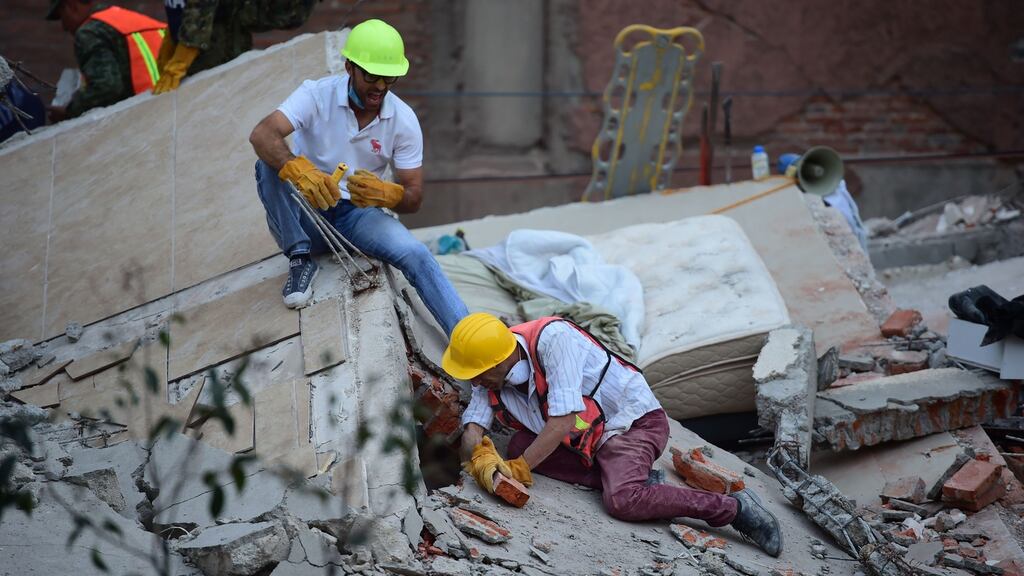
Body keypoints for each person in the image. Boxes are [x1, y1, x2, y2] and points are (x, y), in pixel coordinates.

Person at [443, 313, 783, 557]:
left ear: (501, 360)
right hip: (586, 439)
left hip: (632, 424)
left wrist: (518, 470)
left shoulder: (553, 339)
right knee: (518, 444)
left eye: (478, 375)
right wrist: (478, 459)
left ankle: (734, 509)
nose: (474, 382)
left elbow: (561, 423)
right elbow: (474, 427)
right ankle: (636, 480)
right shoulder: (490, 373)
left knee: (622, 501)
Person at [248, 18, 469, 336]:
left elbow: (414, 195)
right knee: (267, 164)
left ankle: (467, 337)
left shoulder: (403, 121)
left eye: (389, 77)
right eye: (372, 76)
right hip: (307, 214)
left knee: (417, 254)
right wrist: (300, 169)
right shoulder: (316, 95)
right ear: (350, 67)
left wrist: (387, 194)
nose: (380, 86)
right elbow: (262, 134)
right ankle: (299, 257)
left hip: (357, 215)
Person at [153, 0, 318, 94]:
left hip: (219, 50)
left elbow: (200, 8)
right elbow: (180, 8)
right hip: (197, 44)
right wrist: (173, 37)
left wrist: (179, 61)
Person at [45, 0, 166, 121]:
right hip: (171, 111)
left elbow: (106, 87)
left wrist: (70, 112)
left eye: (62, 17)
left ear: (72, 6)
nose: (64, 27)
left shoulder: (90, 32)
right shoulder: (140, 21)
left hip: (142, 119)